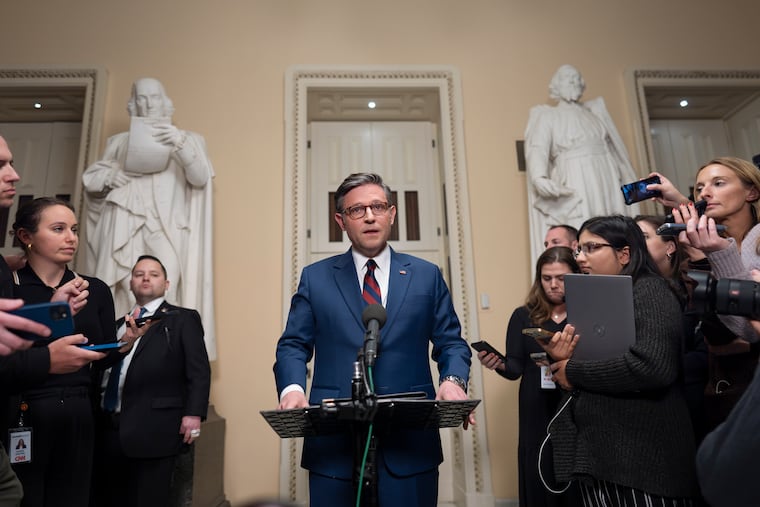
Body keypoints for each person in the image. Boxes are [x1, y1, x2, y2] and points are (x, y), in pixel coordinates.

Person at [274, 173, 472, 507]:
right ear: (341, 220)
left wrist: (453, 381)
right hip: (334, 444)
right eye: (357, 210)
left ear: (391, 214)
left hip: (410, 442)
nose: (369, 216)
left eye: (378, 206)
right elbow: (293, 344)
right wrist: (292, 389)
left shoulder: (426, 275)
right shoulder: (316, 277)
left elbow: (451, 342)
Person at [540, 215, 697, 505]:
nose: (581, 258)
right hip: (606, 458)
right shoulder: (603, 298)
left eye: (591, 248)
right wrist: (564, 361)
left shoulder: (651, 291)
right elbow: (600, 366)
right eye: (579, 250)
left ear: (624, 254)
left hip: (644, 463)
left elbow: (653, 367)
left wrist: (573, 371)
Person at [82, 77, 216, 357]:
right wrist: (111, 175)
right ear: (134, 104)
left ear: (165, 102)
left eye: (154, 97)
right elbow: (92, 182)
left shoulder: (188, 139)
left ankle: (167, 355)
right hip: (126, 224)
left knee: (170, 288)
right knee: (120, 290)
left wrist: (180, 145)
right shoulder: (119, 142)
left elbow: (201, 177)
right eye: (141, 98)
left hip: (166, 227)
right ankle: (119, 358)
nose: (147, 103)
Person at [2, 197, 113, 507]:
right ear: (26, 237)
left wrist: (125, 341)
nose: (71, 238)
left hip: (79, 410)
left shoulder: (94, 289)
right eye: (58, 229)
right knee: (24, 496)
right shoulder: (9, 287)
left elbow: (103, 358)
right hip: (23, 409)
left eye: (74, 229)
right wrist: (53, 312)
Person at [92, 254, 210, 507]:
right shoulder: (116, 325)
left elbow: (198, 370)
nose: (145, 278)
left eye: (153, 274)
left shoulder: (182, 319)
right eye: (139, 274)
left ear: (166, 284)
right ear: (131, 283)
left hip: (155, 428)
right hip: (108, 427)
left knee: (149, 499)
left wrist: (194, 413)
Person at [651, 156, 760, 431]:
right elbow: (718, 334)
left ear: (752, 192)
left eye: (718, 183)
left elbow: (747, 332)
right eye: (699, 188)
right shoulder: (702, 251)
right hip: (724, 390)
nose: (705, 193)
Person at [477, 246, 581, 507]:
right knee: (537, 466)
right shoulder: (523, 315)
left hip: (574, 399)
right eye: (547, 278)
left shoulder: (585, 314)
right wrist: (497, 363)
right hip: (535, 402)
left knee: (574, 468)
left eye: (561, 278)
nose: (554, 285)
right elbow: (514, 369)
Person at [525, 64, 639, 266]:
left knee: (609, 219)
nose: (573, 82)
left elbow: (613, 148)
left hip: (605, 172)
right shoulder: (548, 116)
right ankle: (587, 265)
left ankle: (616, 262)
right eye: (567, 78)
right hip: (575, 172)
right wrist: (539, 176)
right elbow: (537, 147)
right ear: (556, 86)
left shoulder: (594, 113)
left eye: (576, 78)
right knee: (584, 220)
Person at [635, 215, 708, 443]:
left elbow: (704, 354)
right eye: (632, 238)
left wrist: (656, 362)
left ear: (670, 246)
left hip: (692, 401)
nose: (636, 244)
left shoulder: (693, 288)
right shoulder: (632, 291)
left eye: (644, 237)